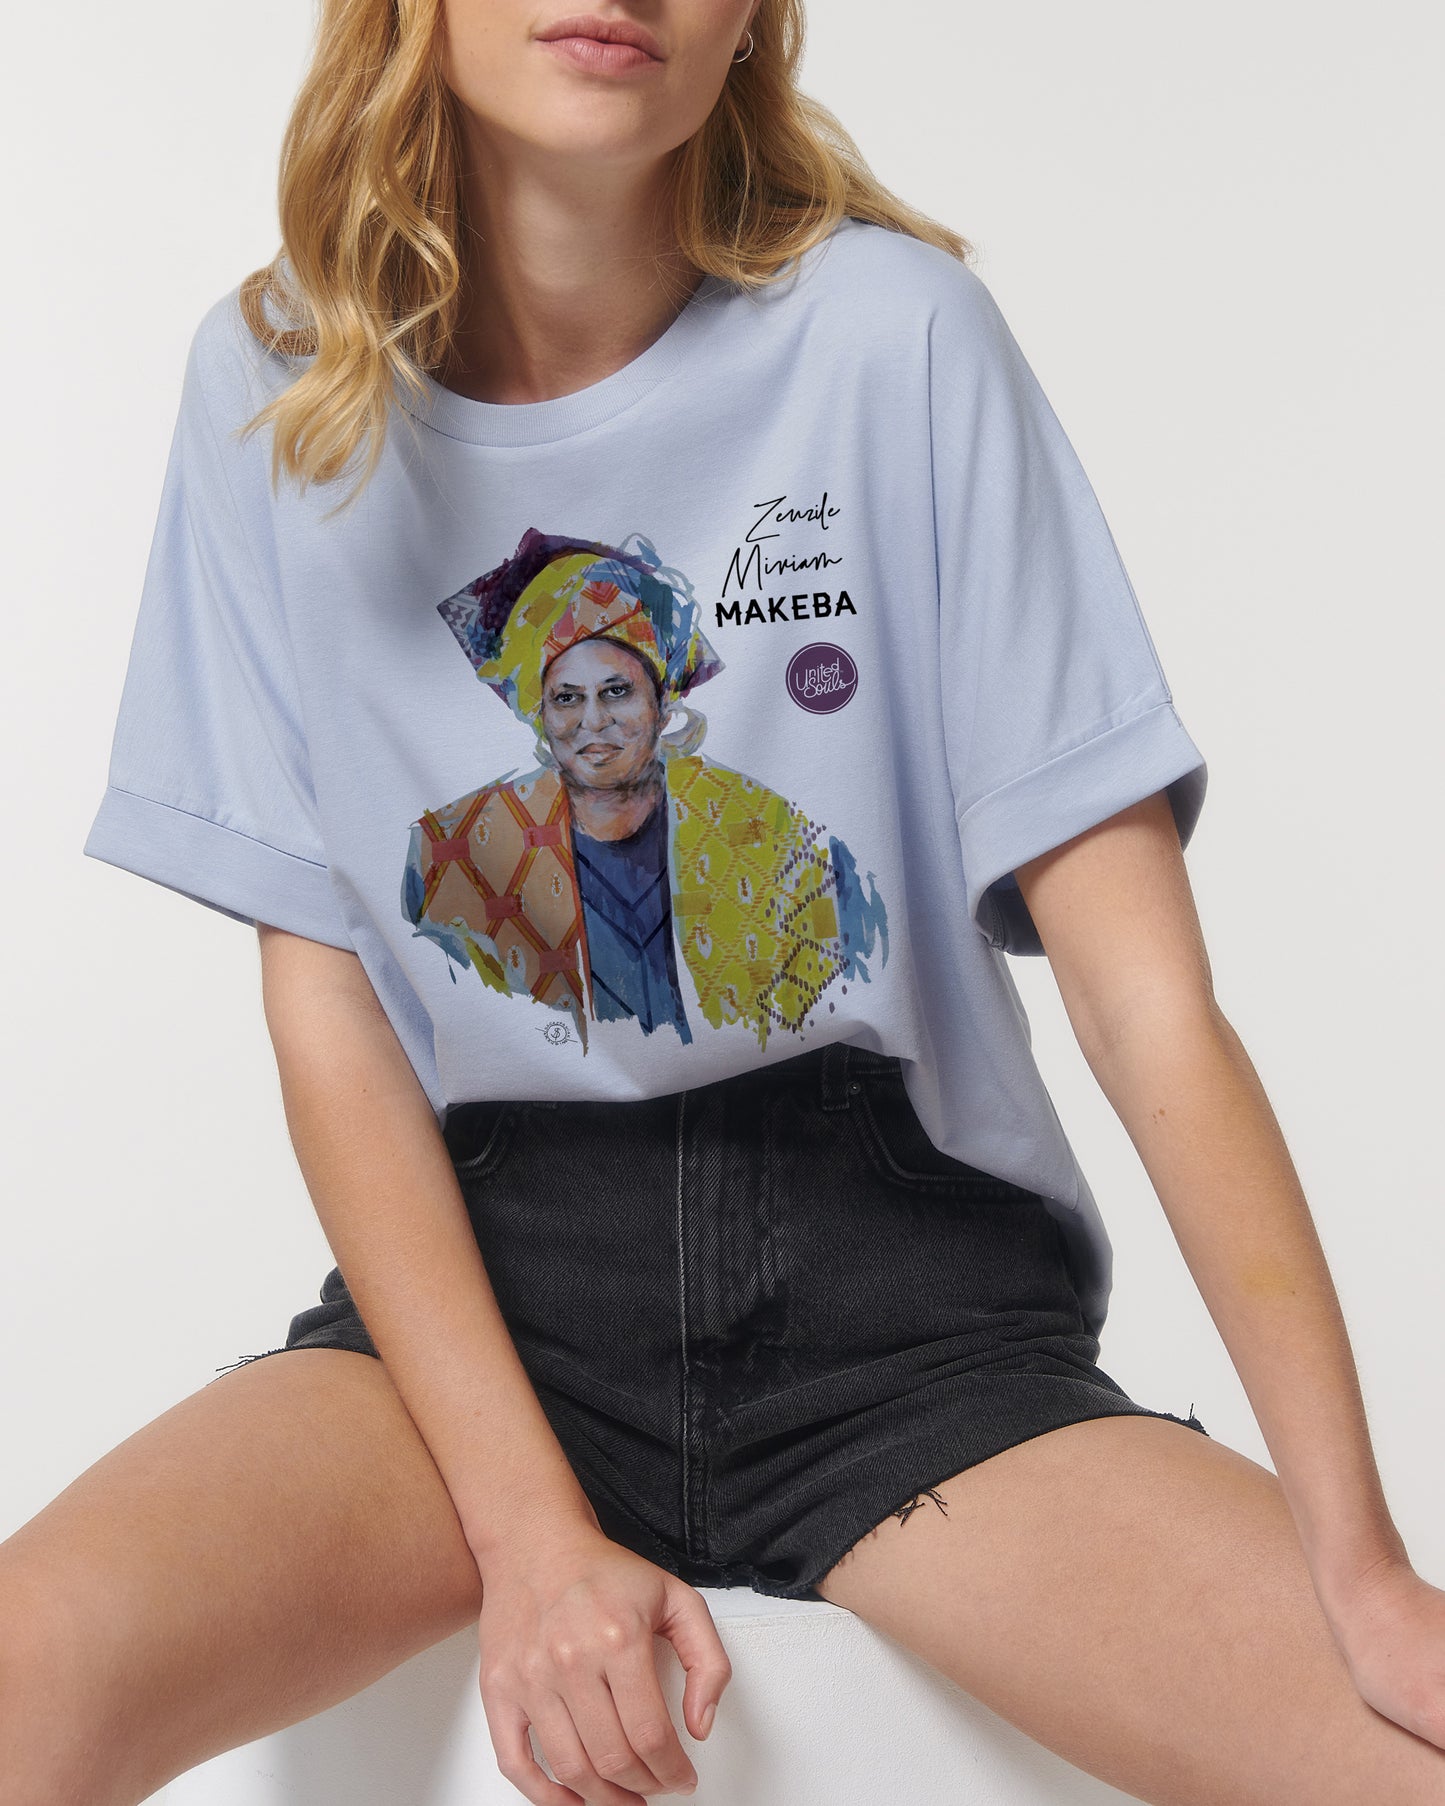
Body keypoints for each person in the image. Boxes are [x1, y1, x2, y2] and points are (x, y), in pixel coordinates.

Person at [7, 2, 1444, 1802]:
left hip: (904, 1328)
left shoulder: (895, 340)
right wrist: (530, 1533)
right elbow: (332, 1013)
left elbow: (1144, 1003)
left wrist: (1358, 1557)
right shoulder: (275, 385)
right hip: (485, 1303)